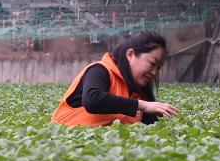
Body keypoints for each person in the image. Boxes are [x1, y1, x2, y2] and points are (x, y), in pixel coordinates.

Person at [51, 31, 179, 127]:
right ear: (130, 55)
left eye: (158, 68)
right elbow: (93, 100)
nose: (154, 72)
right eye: (152, 63)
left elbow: (151, 127)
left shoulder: (139, 92)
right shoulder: (100, 70)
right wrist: (143, 105)